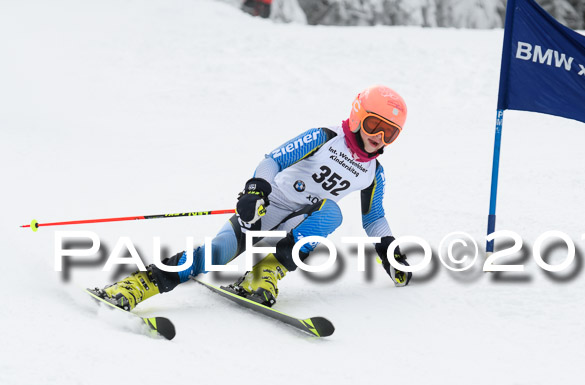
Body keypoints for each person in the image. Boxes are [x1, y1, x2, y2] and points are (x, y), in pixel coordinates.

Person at [96, 85, 412, 311]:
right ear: (358, 114)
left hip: (300, 225)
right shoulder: (325, 137)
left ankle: (264, 274)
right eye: (374, 125)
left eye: (390, 133)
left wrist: (388, 248)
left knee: (332, 212)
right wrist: (256, 189)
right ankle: (137, 285)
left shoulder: (373, 173)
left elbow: (373, 217)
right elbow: (273, 160)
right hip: (264, 211)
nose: (378, 137)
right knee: (217, 253)